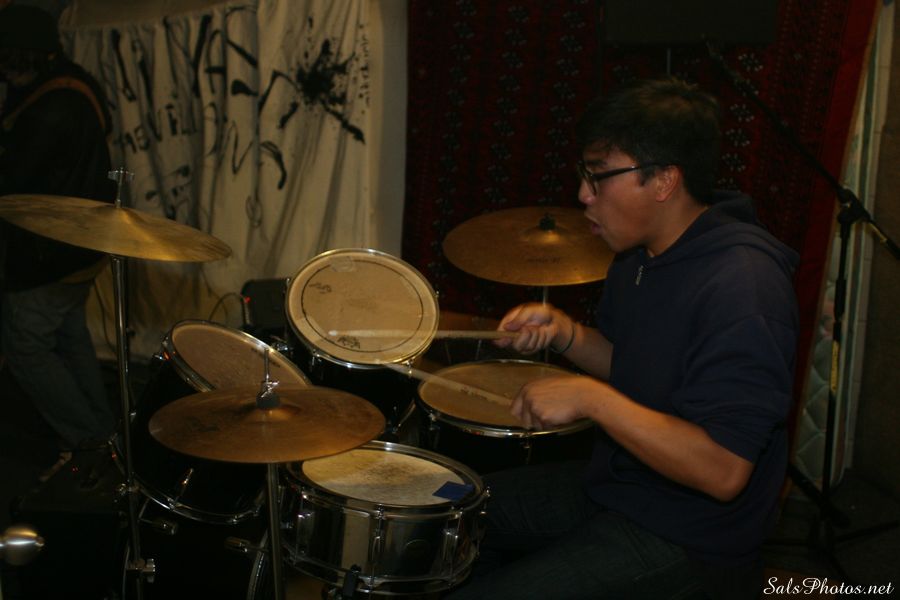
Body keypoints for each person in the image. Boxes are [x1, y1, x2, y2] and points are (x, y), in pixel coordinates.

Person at [447, 77, 798, 599]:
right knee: (451, 511)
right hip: (623, 482)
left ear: (664, 181)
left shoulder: (742, 287)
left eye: (599, 175)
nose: (583, 194)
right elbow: (637, 368)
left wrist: (593, 399)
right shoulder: (639, 257)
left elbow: (723, 470)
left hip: (691, 534)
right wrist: (566, 334)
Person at [0, 4, 117, 479]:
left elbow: (11, 183)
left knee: (25, 345)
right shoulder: (73, 83)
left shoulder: (49, 108)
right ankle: (104, 434)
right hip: (79, 246)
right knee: (69, 336)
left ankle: (87, 442)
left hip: (49, 253)